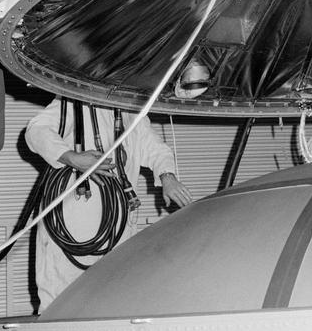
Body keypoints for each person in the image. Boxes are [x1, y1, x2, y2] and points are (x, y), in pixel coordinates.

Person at [24, 99, 194, 309]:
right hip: (72, 218)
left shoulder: (131, 113)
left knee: (116, 291)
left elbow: (156, 149)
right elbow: (36, 131)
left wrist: (167, 176)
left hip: (117, 222)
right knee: (62, 299)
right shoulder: (73, 102)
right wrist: (72, 158)